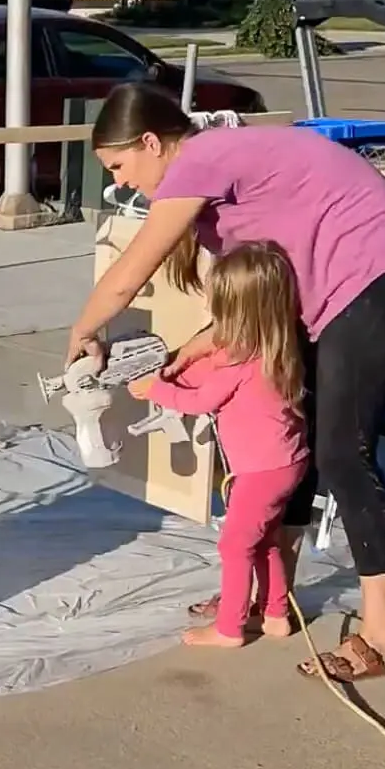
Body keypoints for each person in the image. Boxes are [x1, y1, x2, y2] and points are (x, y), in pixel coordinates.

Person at [67, 83, 385, 682]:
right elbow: (255, 306)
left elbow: (130, 272)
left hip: (378, 267)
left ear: (151, 142)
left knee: (343, 450)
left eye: (119, 166)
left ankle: (383, 636)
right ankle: (272, 598)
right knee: (296, 434)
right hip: (331, 288)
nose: (122, 184)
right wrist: (187, 353)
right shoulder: (219, 185)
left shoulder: (201, 160)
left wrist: (83, 331)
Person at [128, 243, 308, 648]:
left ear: (237, 311)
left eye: (216, 299)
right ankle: (276, 614)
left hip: (260, 472)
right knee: (265, 539)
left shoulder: (239, 362)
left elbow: (200, 401)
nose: (208, 303)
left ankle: (230, 627)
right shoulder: (273, 347)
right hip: (285, 464)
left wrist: (155, 389)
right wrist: (180, 367)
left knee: (235, 544)